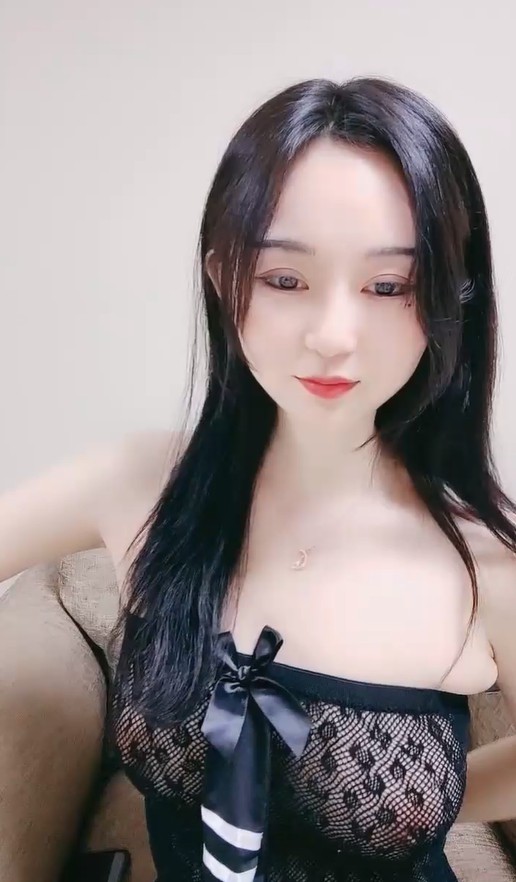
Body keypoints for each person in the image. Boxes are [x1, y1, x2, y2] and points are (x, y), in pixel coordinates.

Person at [2, 75, 516, 882]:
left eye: (388, 287)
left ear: (451, 296)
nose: (333, 335)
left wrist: (439, 804)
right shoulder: (141, 483)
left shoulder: (483, 564)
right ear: (223, 276)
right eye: (285, 279)